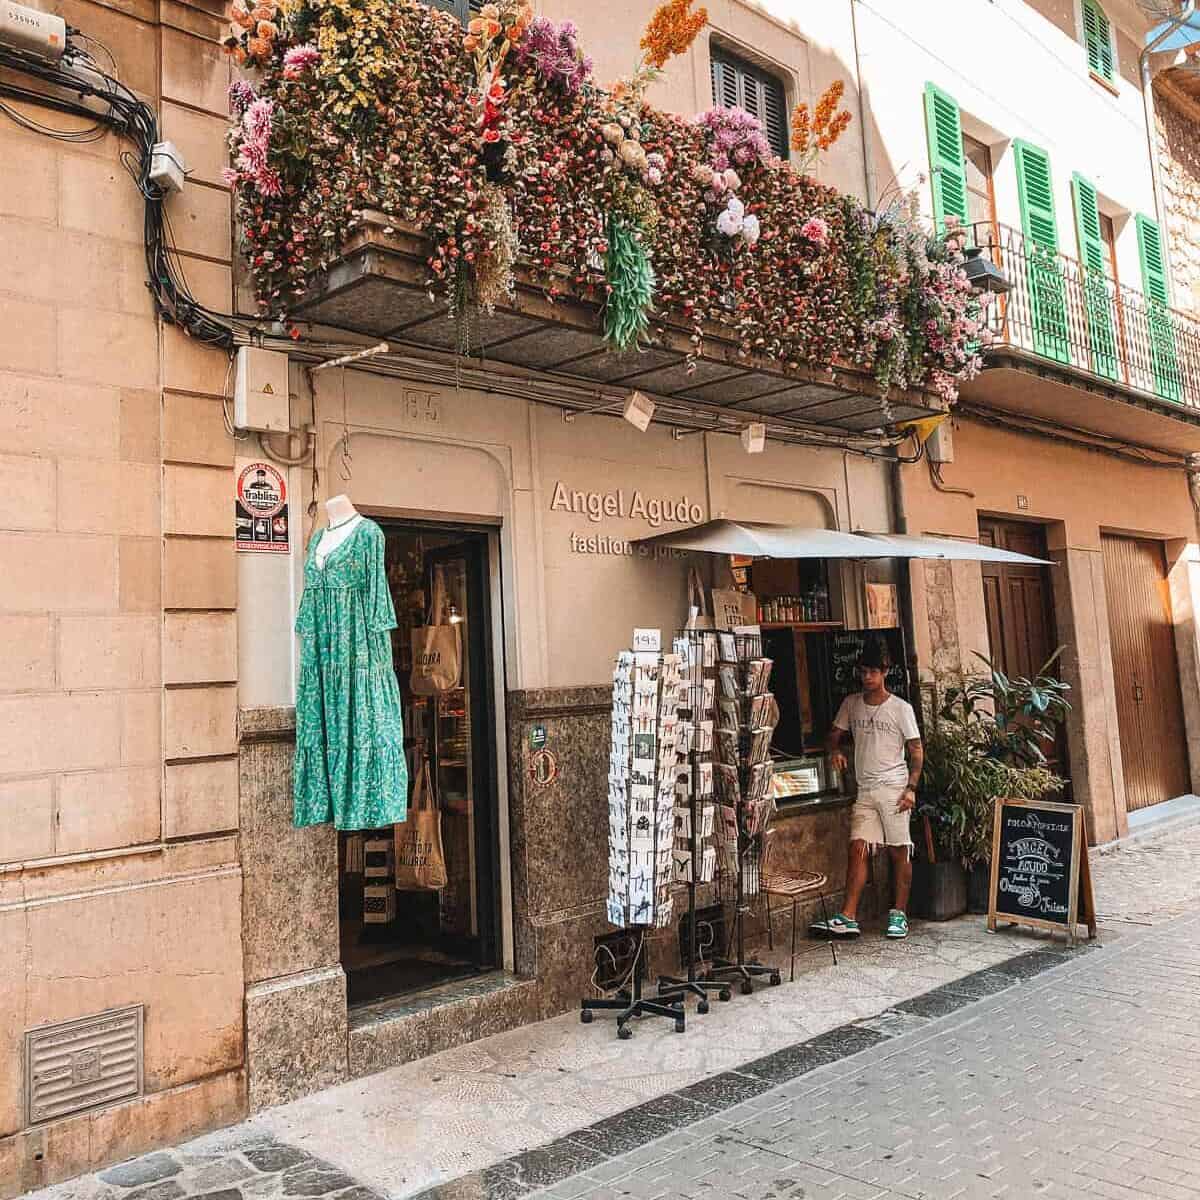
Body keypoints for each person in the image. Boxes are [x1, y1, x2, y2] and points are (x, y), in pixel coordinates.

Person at [812, 639, 923, 940]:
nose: (867, 678)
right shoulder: (851, 704)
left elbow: (916, 750)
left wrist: (911, 788)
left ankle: (899, 914)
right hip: (866, 789)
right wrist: (834, 751)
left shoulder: (901, 708)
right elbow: (833, 736)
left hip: (894, 788)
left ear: (885, 672)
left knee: (899, 850)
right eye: (863, 672)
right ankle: (848, 916)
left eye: (873, 672)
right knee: (858, 847)